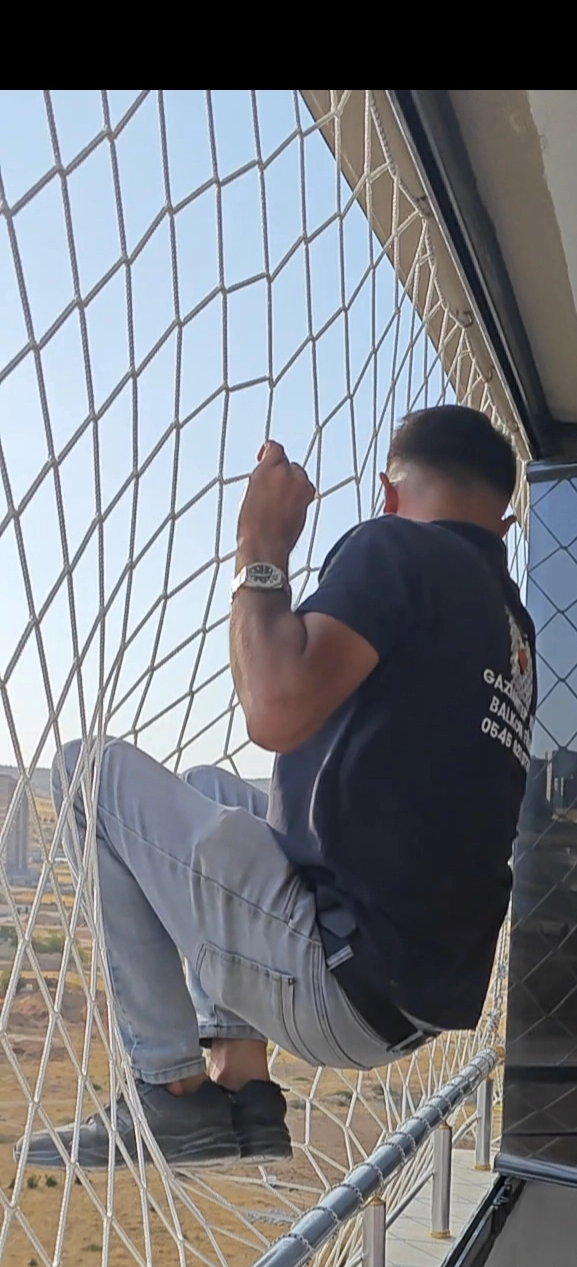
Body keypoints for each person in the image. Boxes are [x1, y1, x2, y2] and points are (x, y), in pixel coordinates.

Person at [27, 406, 535, 1169]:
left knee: (84, 773)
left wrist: (261, 543)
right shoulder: (509, 623)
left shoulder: (396, 547)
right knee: (206, 785)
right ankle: (245, 1084)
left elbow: (273, 708)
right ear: (503, 528)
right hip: (412, 994)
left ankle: (168, 1089)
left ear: (388, 495)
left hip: (339, 984)